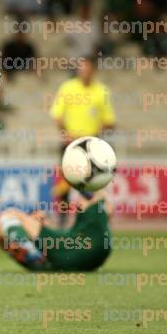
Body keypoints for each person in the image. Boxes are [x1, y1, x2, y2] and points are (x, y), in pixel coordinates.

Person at [49, 57, 115, 226]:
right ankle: (62, 219)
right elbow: (57, 115)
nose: (84, 71)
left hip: (93, 146)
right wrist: (68, 134)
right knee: (66, 181)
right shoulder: (67, 88)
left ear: (93, 70)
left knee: (95, 183)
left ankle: (96, 219)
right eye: (81, 68)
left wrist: (94, 134)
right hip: (70, 144)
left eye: (87, 68)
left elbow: (109, 121)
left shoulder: (102, 91)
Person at [0, 185, 112, 272]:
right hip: (64, 255)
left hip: (74, 255)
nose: (42, 219)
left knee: (10, 217)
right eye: (38, 219)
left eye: (44, 218)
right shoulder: (54, 242)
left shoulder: (65, 236)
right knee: (11, 214)